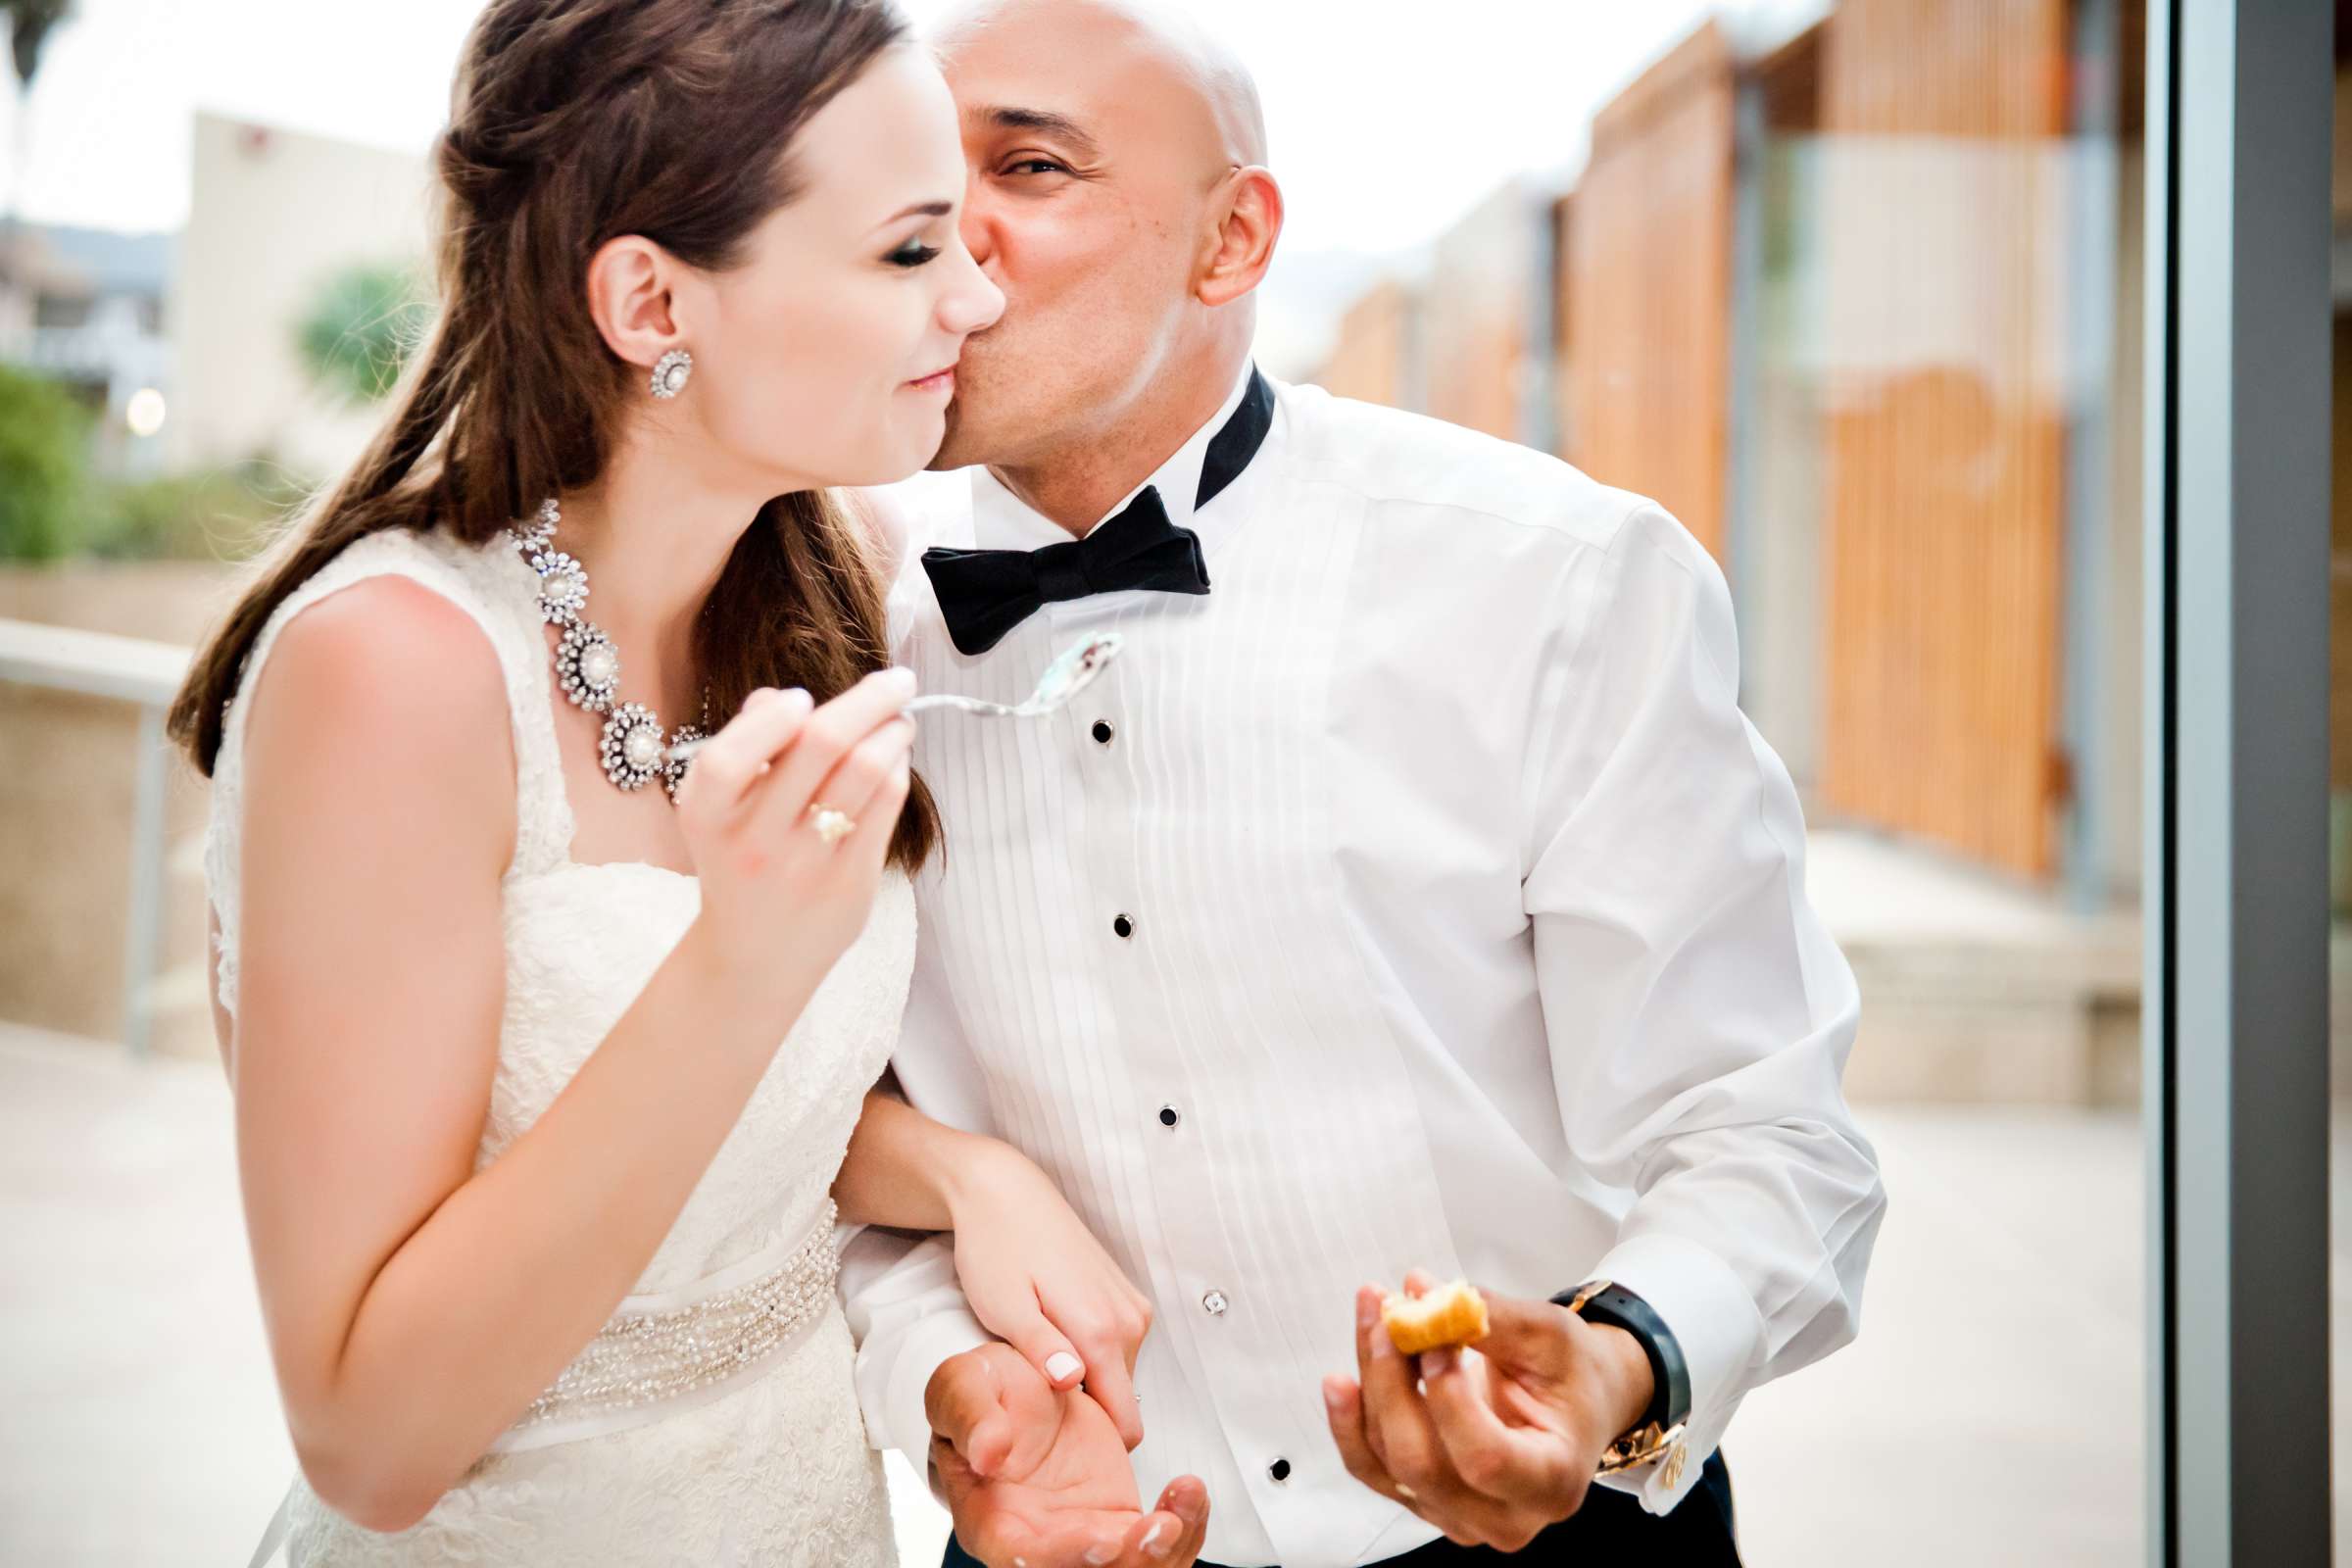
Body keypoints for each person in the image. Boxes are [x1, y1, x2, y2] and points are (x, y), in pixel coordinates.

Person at [840, 3, 1889, 1564]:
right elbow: (828, 1133)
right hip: (1076, 1530)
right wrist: (954, 1373)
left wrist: (1621, 1361)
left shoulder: (1560, 582)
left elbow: (1766, 1136)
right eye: (918, 185)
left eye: (1033, 167)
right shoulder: (840, 624)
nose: (948, 239)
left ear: (1232, 240)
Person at [176, 2, 1157, 1561]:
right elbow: (370, 1438)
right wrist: (736, 970)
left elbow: (756, 1135)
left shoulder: (838, 588)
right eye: (910, 251)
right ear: (649, 300)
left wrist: (968, 1178)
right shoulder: (394, 674)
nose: (977, 295)